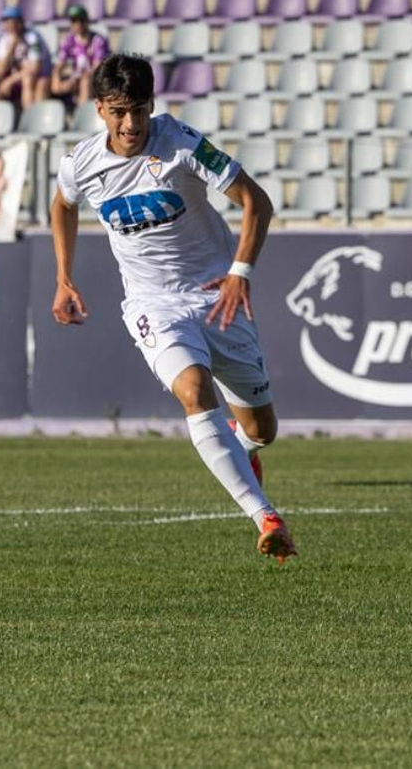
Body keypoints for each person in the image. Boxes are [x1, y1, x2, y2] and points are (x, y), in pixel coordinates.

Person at [49, 53, 297, 563]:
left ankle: (243, 450)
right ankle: (265, 517)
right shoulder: (80, 163)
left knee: (261, 431)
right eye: (118, 112)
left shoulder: (182, 144)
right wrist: (63, 276)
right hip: (153, 302)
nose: (130, 123)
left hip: (217, 298)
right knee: (193, 390)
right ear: (100, 110)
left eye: (139, 110)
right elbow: (63, 204)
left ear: (152, 105)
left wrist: (239, 272)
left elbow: (257, 201)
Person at [0, 5, 51, 105]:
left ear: (20, 23)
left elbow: (35, 69)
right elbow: (0, 70)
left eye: (11, 22)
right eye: (6, 22)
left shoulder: (33, 38)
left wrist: (10, 81)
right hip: (17, 75)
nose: (7, 25)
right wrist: (12, 47)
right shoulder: (5, 39)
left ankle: (28, 113)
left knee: (28, 79)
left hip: (36, 77)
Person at [50, 3, 108, 106]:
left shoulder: (98, 40)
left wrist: (76, 79)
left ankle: (82, 112)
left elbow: (97, 69)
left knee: (85, 80)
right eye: (74, 21)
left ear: (87, 21)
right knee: (47, 82)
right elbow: (59, 65)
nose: (78, 24)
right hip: (76, 78)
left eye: (81, 20)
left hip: (96, 80)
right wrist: (56, 80)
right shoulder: (69, 40)